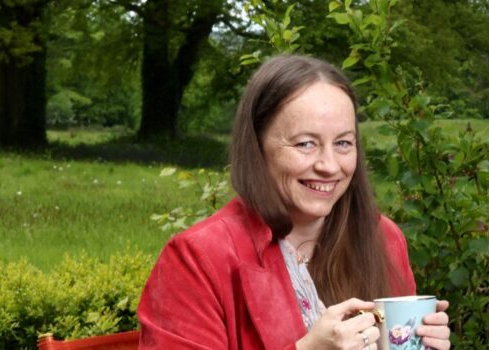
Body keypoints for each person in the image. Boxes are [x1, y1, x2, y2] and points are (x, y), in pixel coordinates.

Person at [138, 55, 452, 350]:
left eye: (343, 143)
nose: (329, 165)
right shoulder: (198, 259)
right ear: (257, 147)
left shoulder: (383, 237)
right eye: (305, 144)